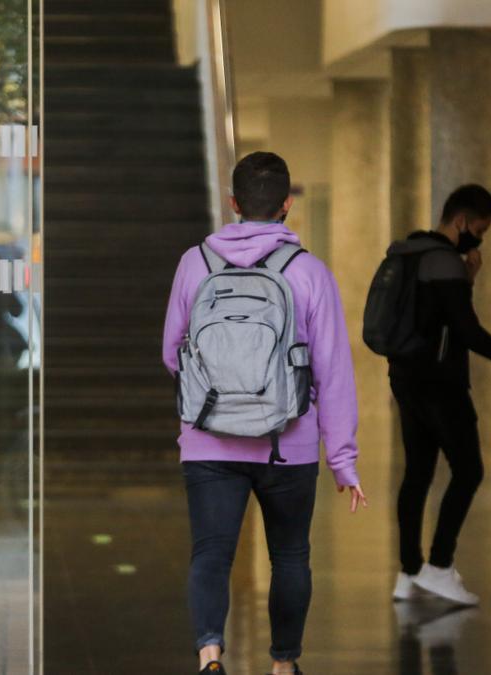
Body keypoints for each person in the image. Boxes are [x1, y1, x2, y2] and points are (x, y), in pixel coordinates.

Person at [163, 152, 367, 675]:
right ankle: (282, 666)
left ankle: (210, 655)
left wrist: (219, 397)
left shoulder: (195, 263)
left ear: (233, 204)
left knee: (211, 553)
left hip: (209, 441)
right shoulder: (309, 272)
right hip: (288, 442)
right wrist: (343, 460)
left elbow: (173, 353)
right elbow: (333, 373)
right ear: (287, 206)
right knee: (291, 557)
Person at [387, 184, 491, 606]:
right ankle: (439, 565)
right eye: (480, 228)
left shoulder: (410, 252)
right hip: (441, 384)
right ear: (462, 221)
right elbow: (466, 331)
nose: (481, 237)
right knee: (469, 470)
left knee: (417, 473)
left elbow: (436, 318)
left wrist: (467, 280)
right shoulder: (445, 262)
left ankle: (408, 571)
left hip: (405, 377)